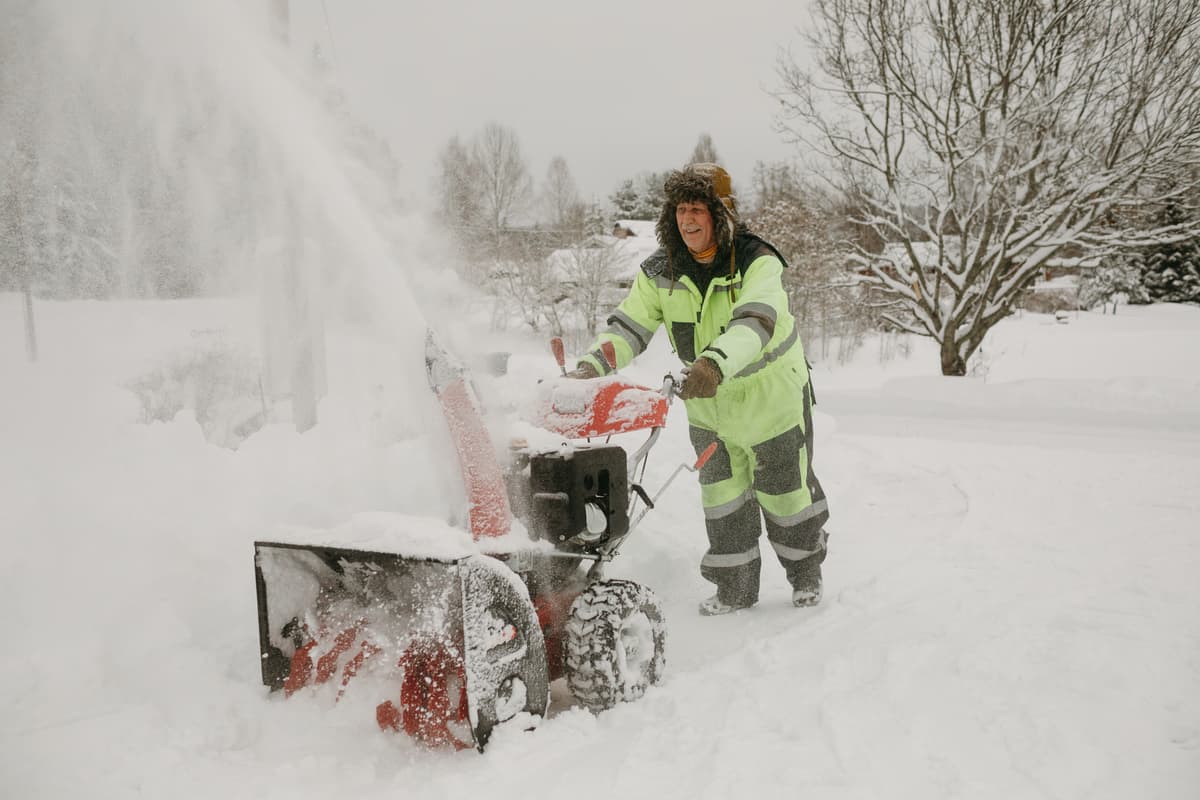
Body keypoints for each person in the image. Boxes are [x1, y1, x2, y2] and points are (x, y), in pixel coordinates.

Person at [568, 163, 830, 615]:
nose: (686, 220)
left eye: (697, 210)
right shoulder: (661, 270)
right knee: (722, 498)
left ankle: (806, 574)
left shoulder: (757, 261)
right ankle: (735, 589)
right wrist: (592, 365)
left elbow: (755, 321)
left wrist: (713, 363)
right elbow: (630, 327)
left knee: (786, 496)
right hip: (709, 404)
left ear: (721, 214)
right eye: (680, 210)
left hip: (771, 400)